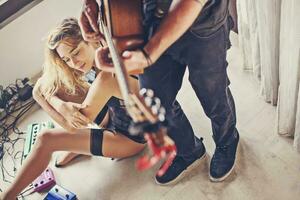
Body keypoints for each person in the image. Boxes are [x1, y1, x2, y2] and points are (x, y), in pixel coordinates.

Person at [80, 0, 240, 185]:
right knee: (155, 99)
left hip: (203, 21)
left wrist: (150, 53)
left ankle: (227, 140)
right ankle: (189, 150)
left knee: (213, 93)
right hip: (147, 19)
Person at [0, 18, 146, 200]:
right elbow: (42, 86)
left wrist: (53, 103)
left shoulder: (108, 75)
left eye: (76, 52)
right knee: (55, 86)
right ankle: (79, 145)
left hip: (130, 138)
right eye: (66, 59)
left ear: (91, 40)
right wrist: (61, 104)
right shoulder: (101, 56)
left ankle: (7, 197)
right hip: (114, 113)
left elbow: (71, 127)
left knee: (46, 139)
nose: (74, 62)